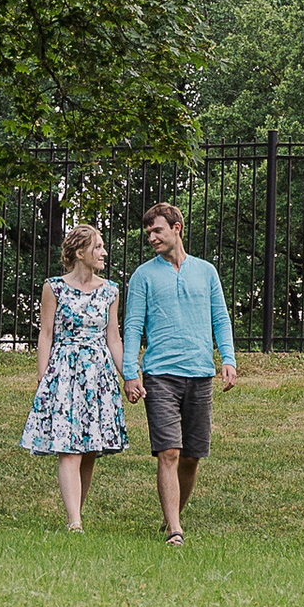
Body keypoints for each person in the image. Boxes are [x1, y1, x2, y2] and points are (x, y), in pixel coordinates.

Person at [121, 199, 235, 545]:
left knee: (192, 457)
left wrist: (227, 358)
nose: (151, 237)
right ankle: (175, 529)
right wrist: (131, 372)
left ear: (176, 228)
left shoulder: (206, 271)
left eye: (157, 230)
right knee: (169, 452)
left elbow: (221, 317)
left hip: (200, 373)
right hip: (160, 376)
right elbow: (133, 326)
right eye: (148, 233)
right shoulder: (143, 275)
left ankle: (173, 515)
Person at [21, 221, 128, 529]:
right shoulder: (53, 287)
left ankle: (75, 513)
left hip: (98, 375)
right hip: (64, 373)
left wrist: (129, 376)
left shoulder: (110, 291)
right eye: (98, 246)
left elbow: (114, 339)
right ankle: (74, 522)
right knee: (69, 449)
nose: (104, 252)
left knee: (90, 448)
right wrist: (43, 377)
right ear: (80, 252)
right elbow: (46, 334)